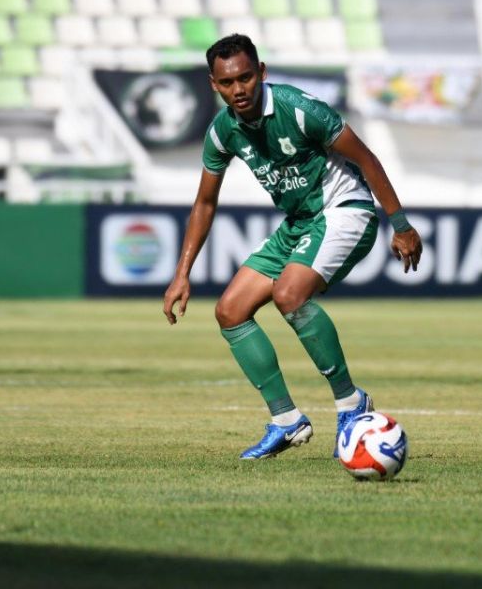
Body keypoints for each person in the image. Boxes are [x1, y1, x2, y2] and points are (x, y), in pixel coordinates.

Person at [163, 34, 423, 460]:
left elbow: (367, 159)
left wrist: (400, 223)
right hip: (300, 222)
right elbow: (204, 202)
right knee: (230, 311)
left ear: (261, 73)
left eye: (246, 77)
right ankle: (286, 420)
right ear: (214, 84)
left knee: (288, 293)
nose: (239, 89)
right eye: (228, 83)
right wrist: (181, 274)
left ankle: (350, 403)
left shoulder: (300, 109)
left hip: (345, 209)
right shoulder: (222, 131)